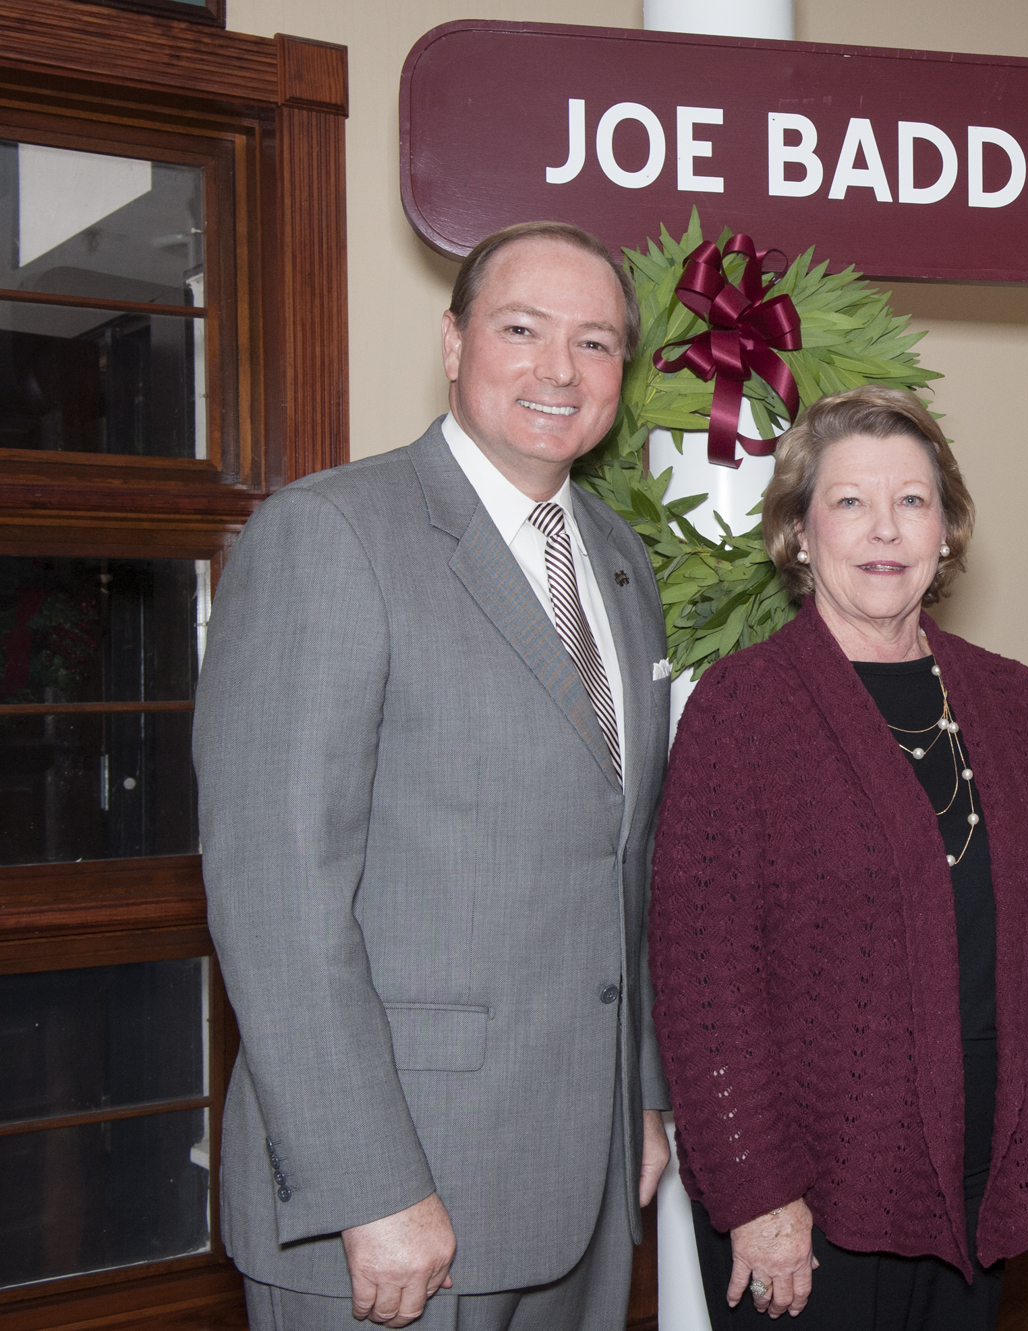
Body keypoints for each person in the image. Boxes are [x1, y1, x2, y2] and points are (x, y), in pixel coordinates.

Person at [194, 221, 673, 1330]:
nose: (559, 370)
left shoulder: (615, 555)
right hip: (398, 1200)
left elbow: (621, 860)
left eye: (595, 343)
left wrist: (637, 1093)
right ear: (452, 342)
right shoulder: (330, 534)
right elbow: (276, 896)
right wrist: (369, 1183)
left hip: (579, 1179)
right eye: (522, 329)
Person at [650, 385, 1028, 1329]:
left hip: (976, 1174)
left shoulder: (1012, 701)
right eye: (849, 501)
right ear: (799, 533)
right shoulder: (744, 708)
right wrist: (759, 1195)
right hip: (813, 1193)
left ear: (947, 528)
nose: (884, 528)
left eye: (913, 501)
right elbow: (702, 980)